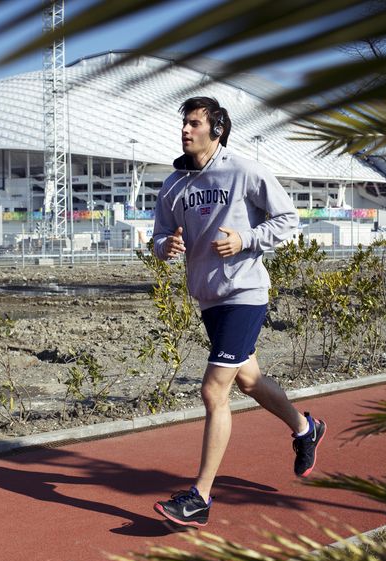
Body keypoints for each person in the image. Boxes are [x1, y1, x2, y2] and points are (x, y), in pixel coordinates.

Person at [151, 96, 327, 527]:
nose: (186, 130)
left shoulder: (244, 170)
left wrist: (245, 240)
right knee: (249, 380)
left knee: (214, 391)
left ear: (218, 130)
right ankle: (306, 428)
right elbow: (156, 238)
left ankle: (200, 498)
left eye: (195, 124)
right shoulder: (174, 184)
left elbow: (287, 219)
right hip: (209, 299)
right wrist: (165, 247)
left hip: (245, 293)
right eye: (184, 124)